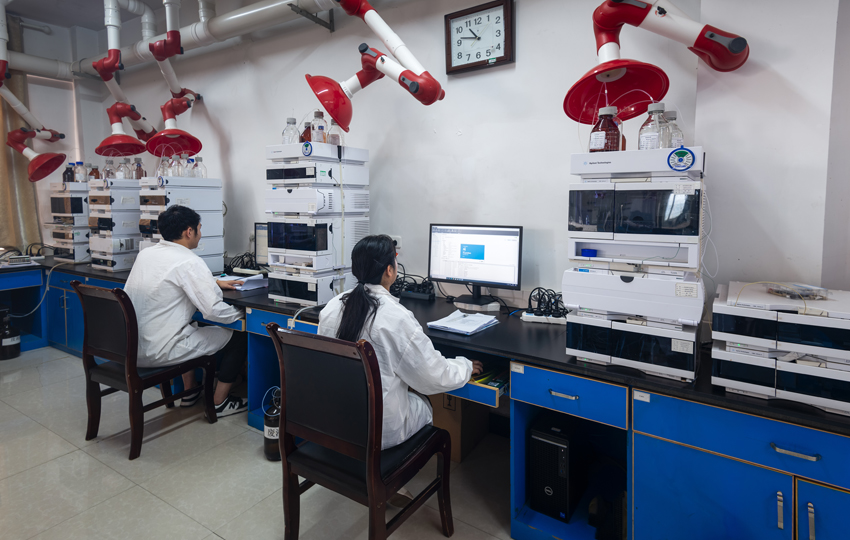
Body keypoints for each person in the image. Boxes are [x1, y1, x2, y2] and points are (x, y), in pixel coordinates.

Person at [317, 234, 484, 451]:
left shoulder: (332, 307)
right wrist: (465, 366)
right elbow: (433, 376)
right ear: (389, 270)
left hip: (335, 422)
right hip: (379, 432)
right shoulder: (396, 318)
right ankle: (394, 468)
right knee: (423, 402)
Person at [124, 205, 248, 417]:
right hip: (159, 350)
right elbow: (213, 311)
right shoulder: (189, 261)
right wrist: (242, 314)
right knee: (239, 335)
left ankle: (189, 392)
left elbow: (168, 279)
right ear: (189, 231)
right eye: (199, 228)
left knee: (190, 324)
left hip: (130, 348)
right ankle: (219, 402)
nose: (201, 233)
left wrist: (212, 282)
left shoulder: (146, 254)